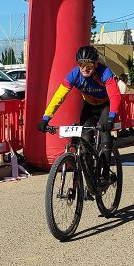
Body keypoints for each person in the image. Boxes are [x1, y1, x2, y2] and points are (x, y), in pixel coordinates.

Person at [36, 45, 122, 184]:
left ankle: (105, 172)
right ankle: (90, 177)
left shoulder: (104, 72)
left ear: (95, 63)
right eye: (81, 64)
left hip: (105, 106)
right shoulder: (74, 74)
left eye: (88, 64)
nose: (85, 68)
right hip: (88, 106)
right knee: (84, 141)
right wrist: (46, 117)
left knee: (105, 133)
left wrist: (112, 117)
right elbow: (59, 96)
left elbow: (115, 96)